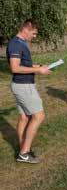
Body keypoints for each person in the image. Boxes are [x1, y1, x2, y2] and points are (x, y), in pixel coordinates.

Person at [7, 19, 51, 164]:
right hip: (24, 86)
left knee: (24, 117)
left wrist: (37, 66)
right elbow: (15, 68)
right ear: (27, 29)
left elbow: (23, 64)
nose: (34, 36)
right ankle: (24, 153)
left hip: (21, 84)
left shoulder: (20, 43)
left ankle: (23, 149)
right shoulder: (16, 44)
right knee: (39, 116)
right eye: (34, 33)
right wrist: (38, 70)